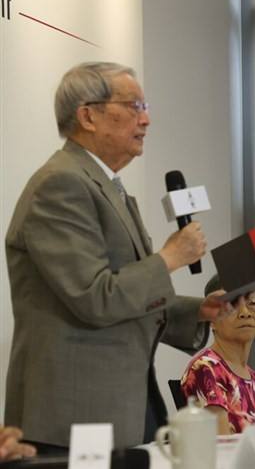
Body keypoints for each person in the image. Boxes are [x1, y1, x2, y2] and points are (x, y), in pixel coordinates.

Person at [4, 62, 231, 451]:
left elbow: (125, 294)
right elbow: (95, 297)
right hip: (74, 415)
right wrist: (170, 257)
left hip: (123, 400)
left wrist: (196, 310)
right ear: (88, 116)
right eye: (134, 106)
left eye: (145, 106)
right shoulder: (60, 184)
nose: (146, 119)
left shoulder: (106, 186)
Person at [181, 275, 255, 434]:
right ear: (211, 320)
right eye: (232, 305)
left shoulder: (251, 375)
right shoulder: (206, 368)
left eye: (253, 303)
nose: (245, 313)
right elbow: (221, 442)